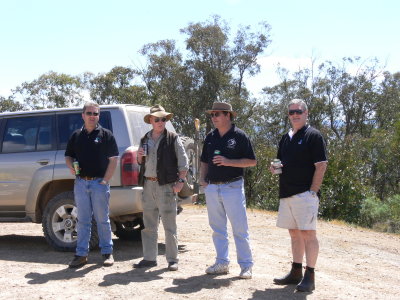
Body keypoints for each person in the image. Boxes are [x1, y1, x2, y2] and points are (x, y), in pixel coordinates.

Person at [272, 99, 328, 292]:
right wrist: (275, 168)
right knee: (294, 233)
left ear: (306, 113)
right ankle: (295, 272)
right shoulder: (285, 138)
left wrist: (313, 191)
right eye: (291, 112)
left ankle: (309, 276)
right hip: (286, 193)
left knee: (308, 234)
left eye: (299, 111)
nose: (295, 115)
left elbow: (321, 165)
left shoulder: (314, 135)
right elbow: (279, 162)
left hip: (305, 194)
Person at [200, 102, 257, 279]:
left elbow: (251, 161)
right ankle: (222, 262)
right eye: (212, 114)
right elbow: (204, 161)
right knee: (217, 228)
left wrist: (228, 161)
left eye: (217, 114)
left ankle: (246, 265)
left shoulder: (240, 136)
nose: (213, 117)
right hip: (212, 187)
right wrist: (202, 180)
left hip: (233, 186)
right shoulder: (210, 137)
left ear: (228, 115)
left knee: (239, 228)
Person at [133, 104, 189, 271]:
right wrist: (138, 157)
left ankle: (173, 260)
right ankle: (149, 258)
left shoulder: (173, 138)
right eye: (157, 119)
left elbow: (184, 162)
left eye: (163, 119)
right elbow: (139, 162)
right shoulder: (144, 139)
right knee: (149, 224)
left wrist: (181, 182)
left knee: (169, 225)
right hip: (148, 184)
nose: (160, 122)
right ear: (150, 120)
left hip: (166, 186)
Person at [65, 101, 119, 268]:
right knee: (83, 221)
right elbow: (68, 156)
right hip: (81, 183)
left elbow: (113, 159)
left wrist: (105, 180)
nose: (92, 116)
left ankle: (107, 253)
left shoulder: (106, 135)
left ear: (98, 116)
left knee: (102, 220)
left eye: (95, 113)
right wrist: (72, 169)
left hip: (99, 184)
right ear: (83, 115)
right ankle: (81, 254)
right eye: (89, 113)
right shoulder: (76, 135)